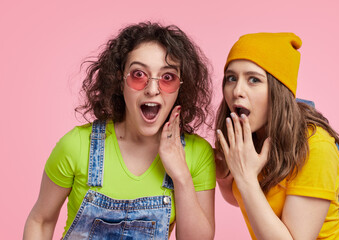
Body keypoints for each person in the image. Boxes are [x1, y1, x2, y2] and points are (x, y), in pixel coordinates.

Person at [23, 22, 215, 240]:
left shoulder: (197, 154)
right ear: (119, 80)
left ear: (182, 85)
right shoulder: (76, 145)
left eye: (167, 77)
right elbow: (41, 220)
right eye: (139, 75)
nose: (152, 90)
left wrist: (181, 177)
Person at [215, 32, 339, 239]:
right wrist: (226, 176)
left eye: (254, 80)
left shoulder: (316, 147)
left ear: (279, 89)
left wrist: (245, 177)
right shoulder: (250, 137)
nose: (237, 90)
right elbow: (242, 198)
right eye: (231, 78)